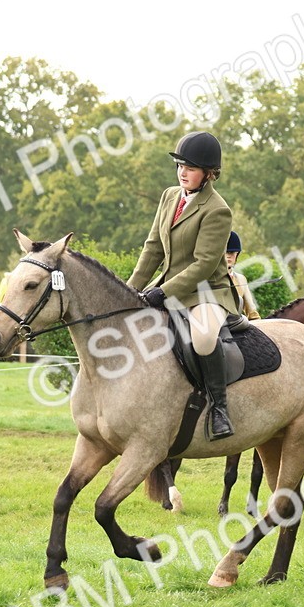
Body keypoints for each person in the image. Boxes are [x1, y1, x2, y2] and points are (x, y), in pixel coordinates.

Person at [128, 131, 239, 440]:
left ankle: (219, 407)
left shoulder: (217, 209)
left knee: (203, 339)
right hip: (166, 286)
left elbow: (203, 265)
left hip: (207, 293)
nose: (182, 173)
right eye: (179, 166)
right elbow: (152, 248)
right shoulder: (169, 196)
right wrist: (128, 290)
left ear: (209, 173)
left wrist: (163, 292)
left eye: (189, 168)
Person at [225, 231, 260, 321]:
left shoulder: (241, 279)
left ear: (237, 254)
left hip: (234, 324)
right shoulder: (208, 278)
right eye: (225, 252)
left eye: (232, 252)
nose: (228, 256)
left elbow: (252, 313)